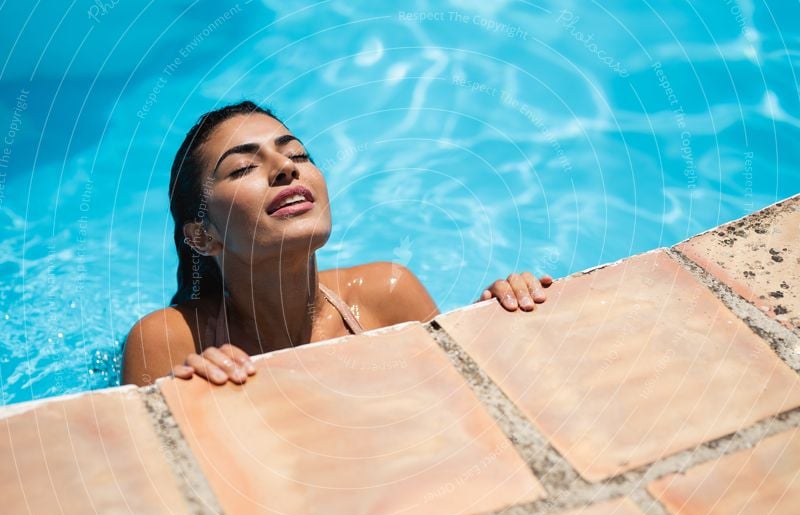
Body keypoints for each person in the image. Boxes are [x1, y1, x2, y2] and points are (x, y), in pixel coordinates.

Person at [121, 101, 552, 387]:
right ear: (202, 235)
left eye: (299, 154)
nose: (285, 168)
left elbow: (467, 404)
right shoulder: (169, 343)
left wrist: (499, 328)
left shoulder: (388, 295)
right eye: (244, 167)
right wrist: (195, 407)